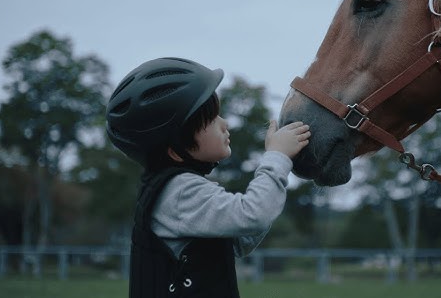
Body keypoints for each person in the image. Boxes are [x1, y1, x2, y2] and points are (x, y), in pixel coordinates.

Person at [105, 57, 310, 298]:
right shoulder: (180, 191)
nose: (224, 124)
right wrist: (276, 157)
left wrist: (278, 164)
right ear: (176, 150)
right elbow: (253, 215)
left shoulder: (174, 188)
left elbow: (240, 239)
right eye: (211, 119)